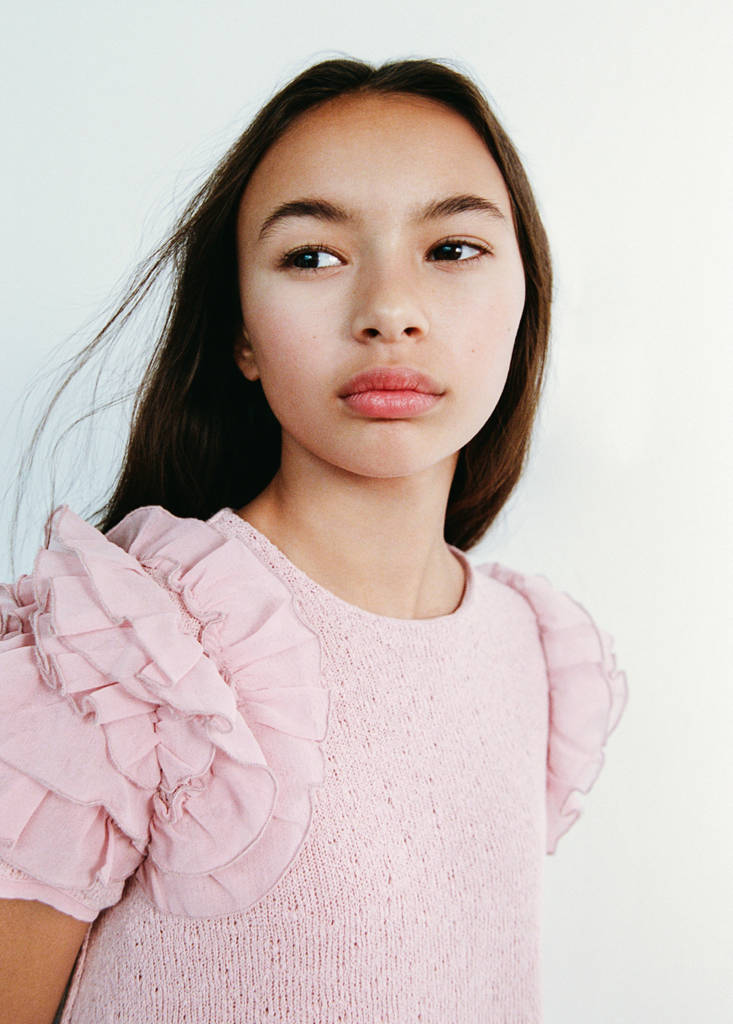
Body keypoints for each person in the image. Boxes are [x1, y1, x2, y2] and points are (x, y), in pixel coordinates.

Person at [0, 57, 628, 1024]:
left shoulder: (533, 649)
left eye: (452, 248)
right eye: (311, 257)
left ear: (525, 301)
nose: (389, 312)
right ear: (241, 335)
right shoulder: (126, 657)